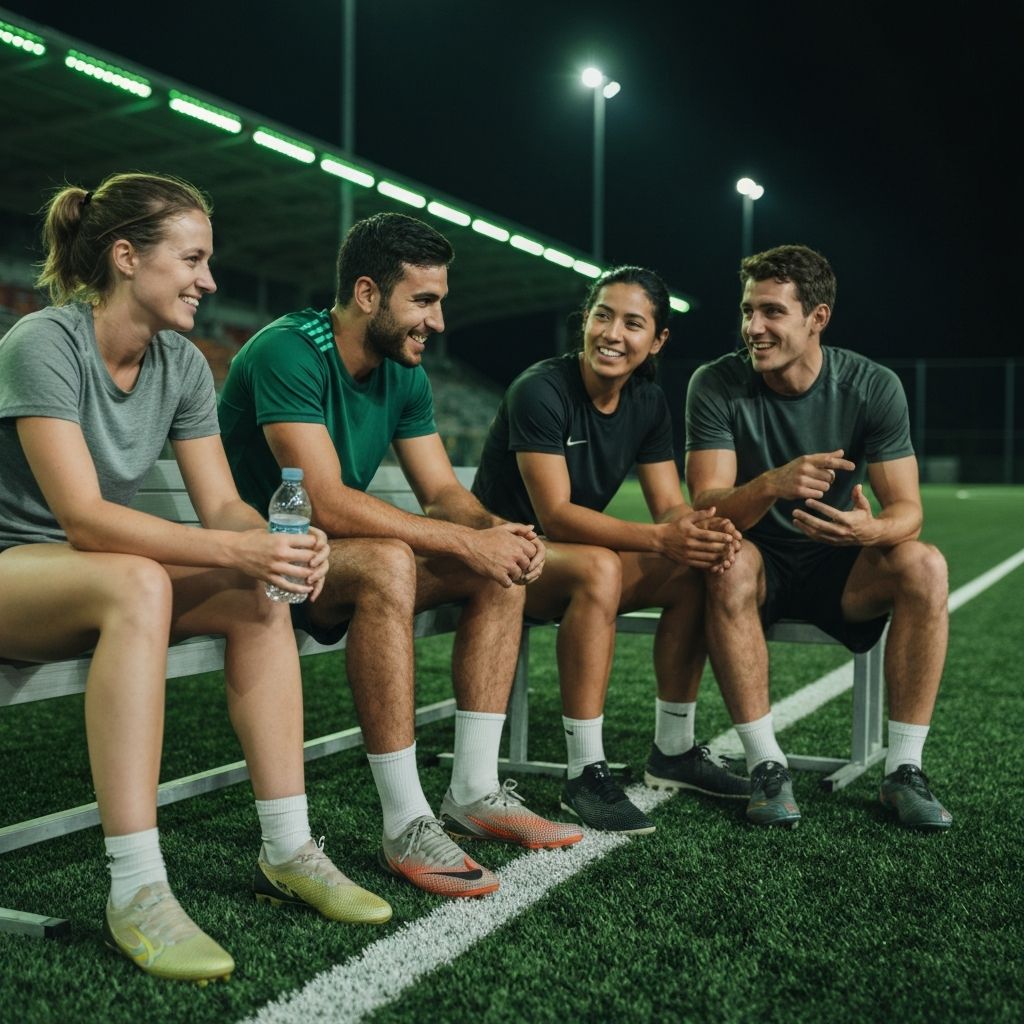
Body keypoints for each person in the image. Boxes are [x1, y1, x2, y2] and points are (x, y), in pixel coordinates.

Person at [0, 173, 394, 985]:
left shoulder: (179, 361)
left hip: (94, 575)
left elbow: (220, 503)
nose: (209, 280)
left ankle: (289, 848)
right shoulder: (41, 343)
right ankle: (138, 888)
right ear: (124, 256)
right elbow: (85, 519)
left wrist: (285, 541)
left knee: (258, 593)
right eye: (193, 258)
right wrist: (235, 548)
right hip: (17, 568)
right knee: (141, 582)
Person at [218, 212, 582, 901]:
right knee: (391, 559)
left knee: (493, 564)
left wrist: (494, 530)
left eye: (439, 302)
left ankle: (473, 790)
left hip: (328, 562)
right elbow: (321, 500)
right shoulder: (287, 351)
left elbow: (443, 490)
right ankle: (405, 821)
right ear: (366, 294)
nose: (438, 322)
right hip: (259, 566)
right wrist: (465, 538)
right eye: (423, 301)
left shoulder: (403, 372)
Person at [471, 266, 748, 834]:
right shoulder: (541, 389)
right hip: (502, 558)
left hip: (560, 559)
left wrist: (697, 533)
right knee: (599, 568)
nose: (612, 334)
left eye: (633, 323)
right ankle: (584, 773)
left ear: (658, 340)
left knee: (692, 570)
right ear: (585, 321)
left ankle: (673, 749)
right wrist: (660, 536)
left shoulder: (647, 401)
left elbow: (668, 503)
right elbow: (555, 515)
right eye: (602, 315)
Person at [685, 243, 951, 830]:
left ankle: (905, 770)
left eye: (772, 312)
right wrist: (773, 484)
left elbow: (908, 509)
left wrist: (869, 530)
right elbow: (706, 508)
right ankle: (766, 766)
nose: (753, 326)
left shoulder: (871, 385)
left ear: (817, 318)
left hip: (841, 566)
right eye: (748, 310)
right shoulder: (715, 383)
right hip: (761, 561)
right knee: (725, 561)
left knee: (924, 564)